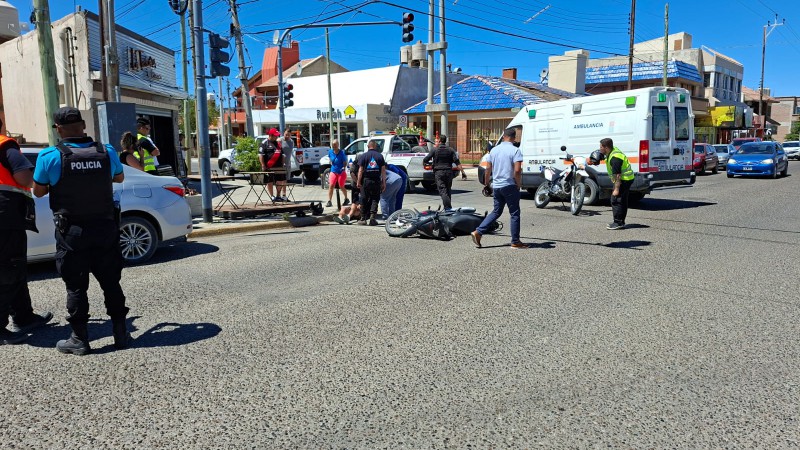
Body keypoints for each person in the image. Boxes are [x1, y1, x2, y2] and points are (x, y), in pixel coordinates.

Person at [33, 107, 130, 355]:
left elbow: (39, 191)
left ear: (58, 129)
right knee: (111, 282)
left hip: (72, 232)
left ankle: (79, 339)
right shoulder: (105, 151)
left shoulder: (50, 156)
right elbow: (118, 179)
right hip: (105, 227)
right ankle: (121, 334)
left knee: (76, 286)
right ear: (83, 125)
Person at [0, 119, 53, 345]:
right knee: (9, 270)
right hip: (5, 216)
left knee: (15, 267)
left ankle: (24, 315)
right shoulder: (5, 145)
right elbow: (25, 178)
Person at [471, 128, 525, 249]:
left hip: (497, 186)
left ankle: (478, 232)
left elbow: (488, 169)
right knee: (515, 213)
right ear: (514, 137)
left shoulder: (494, 150)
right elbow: (517, 170)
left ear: (504, 136)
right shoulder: (516, 150)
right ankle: (515, 241)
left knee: (496, 211)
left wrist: (486, 184)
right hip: (509, 185)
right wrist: (518, 183)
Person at [596, 137, 634, 230]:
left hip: (623, 180)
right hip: (627, 178)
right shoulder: (613, 151)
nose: (600, 149)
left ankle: (618, 222)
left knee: (616, 200)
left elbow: (617, 176)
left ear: (606, 147)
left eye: (601, 147)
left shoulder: (615, 158)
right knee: (622, 200)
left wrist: (616, 189)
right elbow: (604, 156)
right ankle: (621, 221)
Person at [423, 135, 462, 210]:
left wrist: (426, 163)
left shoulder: (435, 150)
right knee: (448, 190)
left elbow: (426, 159)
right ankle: (448, 208)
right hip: (449, 172)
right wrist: (463, 172)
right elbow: (457, 162)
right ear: (445, 141)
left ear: (440, 141)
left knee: (443, 191)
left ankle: (448, 208)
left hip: (439, 172)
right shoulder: (451, 150)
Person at [356, 139, 386, 226]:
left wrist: (358, 181)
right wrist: (384, 182)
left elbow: (360, 170)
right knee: (375, 199)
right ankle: (372, 218)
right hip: (376, 180)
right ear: (375, 146)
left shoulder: (364, 156)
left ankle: (363, 219)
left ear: (368, 146)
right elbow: (383, 171)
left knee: (364, 199)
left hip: (366, 180)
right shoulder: (380, 156)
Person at [258, 128, 285, 201]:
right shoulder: (264, 143)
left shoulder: (278, 144)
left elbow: (282, 155)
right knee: (269, 181)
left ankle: (278, 196)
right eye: (275, 136)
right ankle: (272, 196)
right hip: (269, 167)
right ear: (270, 135)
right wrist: (263, 165)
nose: (277, 137)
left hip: (278, 166)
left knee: (279, 181)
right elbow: (261, 155)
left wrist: (283, 164)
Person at [326, 139, 349, 207]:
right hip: (333, 171)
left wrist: (343, 167)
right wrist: (331, 162)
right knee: (331, 185)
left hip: (341, 171)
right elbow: (330, 159)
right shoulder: (330, 152)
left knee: (341, 186)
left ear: (338, 145)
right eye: (333, 145)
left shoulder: (342, 153)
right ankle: (329, 201)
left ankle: (346, 198)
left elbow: (345, 163)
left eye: (335, 145)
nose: (334, 147)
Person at [278, 129, 295, 200]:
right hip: (280, 164)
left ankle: (284, 195)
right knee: (279, 180)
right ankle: (278, 195)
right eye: (286, 134)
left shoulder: (291, 142)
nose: (287, 136)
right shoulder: (279, 140)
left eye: (289, 135)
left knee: (285, 180)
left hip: (288, 163)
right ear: (283, 133)